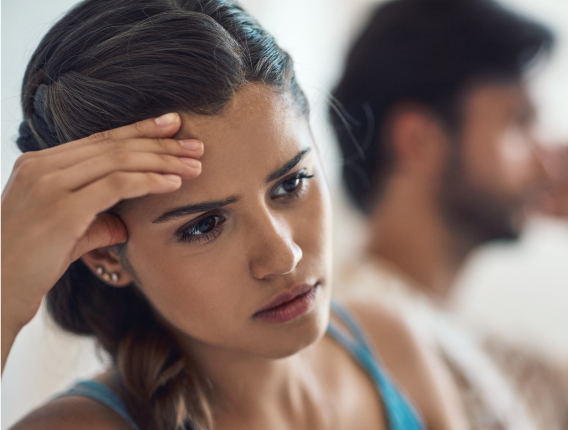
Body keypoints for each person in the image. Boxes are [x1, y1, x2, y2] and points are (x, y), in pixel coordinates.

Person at [0, 1, 468, 429]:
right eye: (204, 225)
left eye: (290, 184)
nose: (282, 256)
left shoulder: (391, 344)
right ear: (106, 255)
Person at [329, 0, 568, 429]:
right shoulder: (344, 335)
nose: (550, 162)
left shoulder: (499, 358)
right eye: (519, 122)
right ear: (418, 140)